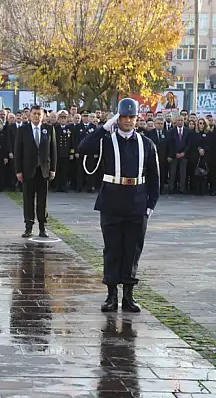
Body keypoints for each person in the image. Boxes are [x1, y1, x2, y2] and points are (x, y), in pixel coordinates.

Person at [77, 98, 160, 313]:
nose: (128, 121)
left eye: (131, 117)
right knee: (112, 249)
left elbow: (155, 177)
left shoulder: (147, 143)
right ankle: (111, 295)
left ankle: (129, 296)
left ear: (137, 119)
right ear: (118, 118)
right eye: (124, 117)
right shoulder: (107, 140)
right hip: (112, 201)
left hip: (137, 202)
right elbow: (83, 147)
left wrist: (150, 205)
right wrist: (105, 127)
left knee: (132, 250)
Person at [14, 105, 57, 238]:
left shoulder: (49, 129)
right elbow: (18, 152)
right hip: (28, 170)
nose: (36, 116)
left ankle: (42, 226)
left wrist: (53, 169)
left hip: (43, 170)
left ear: (43, 115)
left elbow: (53, 151)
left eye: (39, 114)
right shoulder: (23, 130)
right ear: (29, 115)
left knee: (42, 200)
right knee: (28, 199)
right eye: (34, 114)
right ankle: (28, 226)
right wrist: (18, 170)